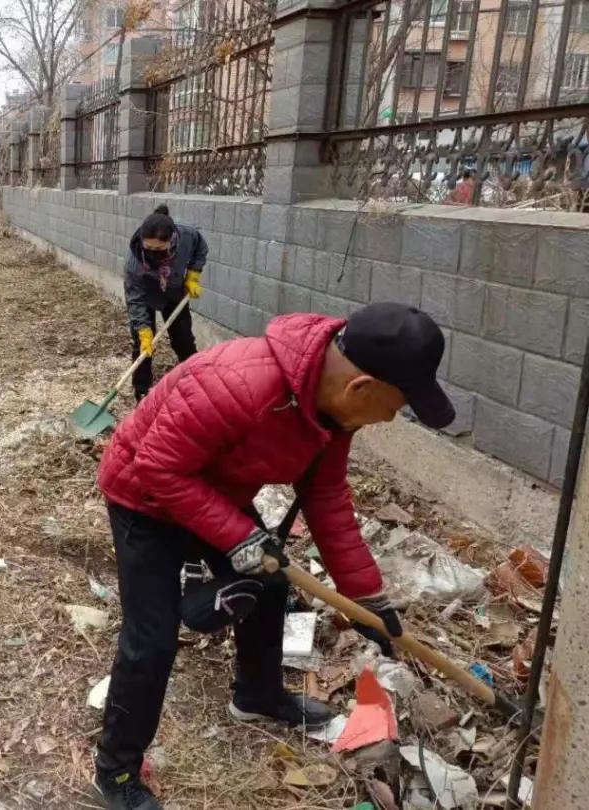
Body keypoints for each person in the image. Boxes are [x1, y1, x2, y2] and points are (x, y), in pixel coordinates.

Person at [92, 303, 456, 810]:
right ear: (361, 387)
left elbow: (326, 499)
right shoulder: (240, 383)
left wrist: (367, 597)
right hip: (146, 496)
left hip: (215, 489)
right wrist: (239, 538)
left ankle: (257, 696)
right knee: (150, 638)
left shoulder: (329, 414)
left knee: (273, 581)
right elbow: (158, 468)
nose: (387, 420)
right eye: (392, 410)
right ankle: (116, 770)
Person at [124, 204, 208, 402]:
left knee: (184, 339)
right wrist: (144, 331)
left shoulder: (187, 235)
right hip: (145, 292)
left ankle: (196, 379)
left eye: (159, 249)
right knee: (142, 344)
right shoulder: (134, 262)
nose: (153, 253)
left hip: (174, 289)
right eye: (149, 249)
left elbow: (201, 249)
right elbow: (134, 298)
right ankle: (142, 390)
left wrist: (193, 276)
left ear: (172, 240)